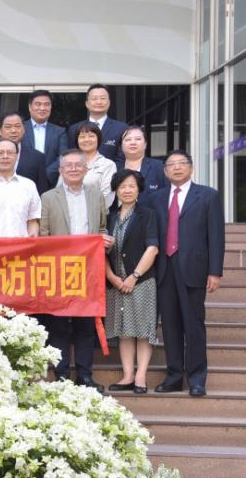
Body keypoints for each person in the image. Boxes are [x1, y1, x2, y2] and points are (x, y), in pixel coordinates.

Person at [153, 151, 224, 397]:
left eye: (182, 163)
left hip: (194, 268)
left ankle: (197, 379)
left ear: (191, 168)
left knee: (193, 324)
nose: (177, 168)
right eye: (171, 165)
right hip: (164, 268)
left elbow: (216, 235)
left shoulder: (208, 195)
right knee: (170, 325)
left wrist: (215, 271)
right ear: (165, 171)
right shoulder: (155, 198)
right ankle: (174, 377)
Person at [39, 149, 110, 393]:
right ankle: (60, 375)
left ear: (86, 169)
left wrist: (105, 241)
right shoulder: (48, 197)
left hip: (89, 269)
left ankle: (85, 375)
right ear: (60, 170)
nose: (73, 169)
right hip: (59, 269)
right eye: (67, 165)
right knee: (58, 325)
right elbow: (43, 235)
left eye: (77, 165)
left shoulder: (96, 196)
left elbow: (101, 227)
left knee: (85, 324)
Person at [105, 169, 160, 395]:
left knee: (143, 330)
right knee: (124, 330)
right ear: (116, 190)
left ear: (139, 190)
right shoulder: (109, 217)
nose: (127, 190)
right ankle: (128, 375)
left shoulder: (147, 215)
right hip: (116, 282)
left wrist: (134, 276)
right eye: (122, 186)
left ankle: (140, 376)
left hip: (141, 280)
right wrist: (111, 276)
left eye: (131, 186)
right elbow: (100, 251)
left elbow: (152, 248)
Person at [0, 112, 49, 194]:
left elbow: (42, 191)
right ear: (0, 131)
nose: (13, 131)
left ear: (24, 129)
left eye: (17, 126)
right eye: (8, 127)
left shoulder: (37, 157)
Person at [60, 121, 117, 208]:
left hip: (96, 214)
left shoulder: (108, 165)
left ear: (98, 139)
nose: (86, 140)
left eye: (91, 136)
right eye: (82, 137)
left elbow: (107, 197)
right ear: (77, 140)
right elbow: (58, 192)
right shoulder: (67, 163)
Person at [68, 84, 128, 162]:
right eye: (94, 98)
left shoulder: (121, 128)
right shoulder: (74, 129)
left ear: (109, 102)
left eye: (103, 98)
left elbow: (123, 159)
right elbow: (72, 156)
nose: (99, 102)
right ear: (87, 104)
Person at [23, 89, 68, 186]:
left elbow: (63, 157)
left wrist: (45, 175)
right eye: (38, 104)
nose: (42, 108)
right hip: (23, 180)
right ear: (30, 107)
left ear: (51, 107)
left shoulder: (60, 132)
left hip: (50, 182)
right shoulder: (20, 129)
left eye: (46, 104)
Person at [115, 125, 168, 200]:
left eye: (138, 139)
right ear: (121, 146)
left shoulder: (159, 167)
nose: (133, 142)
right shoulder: (114, 168)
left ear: (145, 144)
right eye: (128, 139)